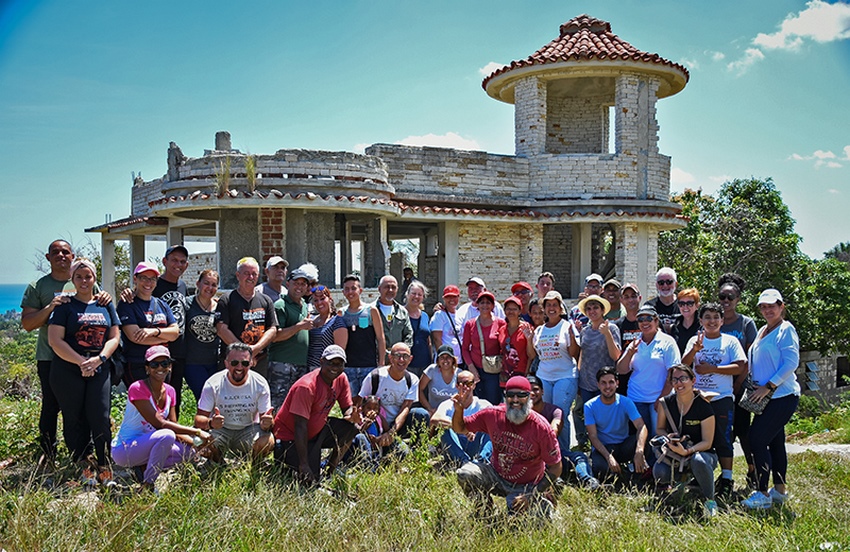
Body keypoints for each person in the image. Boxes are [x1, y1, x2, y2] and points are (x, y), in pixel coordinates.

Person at [21, 239, 108, 464]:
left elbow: (97, 306)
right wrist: (52, 306)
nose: (61, 255)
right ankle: (48, 454)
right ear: (48, 258)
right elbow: (28, 324)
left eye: (66, 252)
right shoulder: (38, 287)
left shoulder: (87, 282)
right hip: (50, 356)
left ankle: (84, 453)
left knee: (83, 408)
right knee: (51, 406)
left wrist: (107, 297)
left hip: (83, 359)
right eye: (55, 252)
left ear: (72, 257)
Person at [47, 258, 121, 486]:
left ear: (94, 278)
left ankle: (104, 466)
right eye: (78, 277)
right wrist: (81, 362)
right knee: (74, 418)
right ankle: (84, 467)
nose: (84, 281)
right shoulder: (65, 306)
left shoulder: (104, 304)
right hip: (68, 370)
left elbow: (115, 337)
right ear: (72, 279)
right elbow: (54, 340)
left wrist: (98, 360)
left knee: (100, 416)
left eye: (88, 276)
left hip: (99, 368)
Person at [452, 376, 562, 517]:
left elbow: (556, 467)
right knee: (465, 473)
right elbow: (459, 428)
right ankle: (485, 510)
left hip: (526, 486)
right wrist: (459, 409)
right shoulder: (493, 414)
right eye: (511, 395)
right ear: (505, 397)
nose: (515, 400)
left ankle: (542, 502)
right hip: (496, 476)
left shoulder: (541, 428)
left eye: (521, 395)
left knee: (522, 525)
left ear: (529, 397)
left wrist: (532, 494)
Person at [112, 345, 210, 491]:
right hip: (126, 450)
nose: (160, 368)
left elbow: (174, 426)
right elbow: (161, 424)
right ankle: (149, 484)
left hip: (153, 443)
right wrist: (196, 433)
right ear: (147, 368)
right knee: (166, 435)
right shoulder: (137, 388)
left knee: (190, 452)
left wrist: (200, 444)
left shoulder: (170, 391)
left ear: (170, 366)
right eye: (154, 364)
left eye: (165, 364)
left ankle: (142, 467)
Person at [741, 289, 801, 510]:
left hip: (782, 395)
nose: (767, 310)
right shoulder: (763, 331)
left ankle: (762, 491)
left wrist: (768, 386)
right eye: (763, 306)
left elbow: (791, 362)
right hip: (764, 396)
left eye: (772, 305)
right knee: (776, 441)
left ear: (781, 306)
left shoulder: (786, 330)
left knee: (756, 439)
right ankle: (780, 491)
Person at [682, 302, 746, 500]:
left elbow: (740, 366)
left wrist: (712, 369)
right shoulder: (695, 340)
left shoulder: (730, 341)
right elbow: (683, 364)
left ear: (722, 320)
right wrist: (695, 350)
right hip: (698, 398)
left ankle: (726, 479)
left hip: (722, 397)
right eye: (707, 317)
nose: (712, 321)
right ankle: (701, 475)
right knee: (700, 439)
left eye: (716, 317)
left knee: (723, 439)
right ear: (700, 321)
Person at [273, 345, 359, 482]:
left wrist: (352, 416)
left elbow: (347, 408)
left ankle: (331, 471)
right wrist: (304, 464)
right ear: (321, 362)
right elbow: (300, 426)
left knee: (352, 429)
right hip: (291, 436)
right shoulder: (306, 386)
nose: (335, 367)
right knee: (308, 481)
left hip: (317, 431)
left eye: (339, 364)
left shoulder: (341, 379)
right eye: (331, 363)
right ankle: (289, 460)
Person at [654, 364, 720, 517]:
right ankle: (681, 485)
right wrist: (669, 438)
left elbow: (708, 442)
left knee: (699, 461)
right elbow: (659, 429)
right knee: (659, 472)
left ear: (693, 380)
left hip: (703, 454)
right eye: (675, 380)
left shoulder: (704, 406)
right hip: (675, 453)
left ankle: (710, 500)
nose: (679, 383)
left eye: (683, 378)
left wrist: (688, 451)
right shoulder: (666, 403)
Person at [194, 342, 275, 463]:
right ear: (226, 363)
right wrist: (211, 423)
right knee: (201, 441)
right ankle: (219, 463)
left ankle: (253, 465)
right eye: (234, 363)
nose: (239, 367)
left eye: (245, 363)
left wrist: (267, 423)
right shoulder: (213, 383)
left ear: (251, 363)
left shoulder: (260, 383)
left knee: (268, 441)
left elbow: (266, 419)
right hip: (220, 430)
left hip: (247, 429)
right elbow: (198, 419)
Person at [717, 272, 758, 488]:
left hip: (740, 385)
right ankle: (725, 475)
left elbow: (750, 358)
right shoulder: (715, 321)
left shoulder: (746, 323)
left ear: (738, 299)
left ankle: (753, 470)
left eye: (729, 298)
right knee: (724, 432)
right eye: (722, 297)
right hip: (718, 387)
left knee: (743, 430)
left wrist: (738, 384)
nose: (725, 302)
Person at [616, 305, 680, 439]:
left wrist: (661, 399)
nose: (645, 322)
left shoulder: (667, 342)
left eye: (649, 318)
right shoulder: (635, 342)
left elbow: (673, 374)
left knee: (658, 436)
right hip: (636, 397)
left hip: (659, 397)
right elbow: (621, 370)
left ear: (656, 321)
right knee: (641, 436)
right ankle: (641, 460)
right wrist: (630, 353)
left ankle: (657, 461)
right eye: (641, 319)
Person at [527, 375, 601, 490]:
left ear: (542, 391)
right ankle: (554, 480)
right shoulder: (521, 414)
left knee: (579, 456)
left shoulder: (555, 411)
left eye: (535, 389)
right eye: (528, 390)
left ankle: (588, 481)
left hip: (553, 453)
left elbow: (553, 433)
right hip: (532, 458)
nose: (532, 393)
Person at [216, 257, 278, 380]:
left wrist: (255, 350)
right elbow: (221, 329)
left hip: (259, 361)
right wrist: (244, 354)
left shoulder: (266, 300)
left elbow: (272, 329)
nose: (250, 277)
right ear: (238, 275)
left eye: (254, 274)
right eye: (246, 273)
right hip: (232, 362)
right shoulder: (226, 300)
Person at [356, 343, 424, 453]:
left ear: (410, 359)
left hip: (397, 426)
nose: (401, 360)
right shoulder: (375, 376)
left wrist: (391, 433)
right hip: (375, 424)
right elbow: (360, 403)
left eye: (405, 356)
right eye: (397, 356)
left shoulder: (412, 379)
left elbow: (405, 408)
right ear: (390, 357)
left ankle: (417, 450)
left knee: (421, 414)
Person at [118, 262, 179, 385]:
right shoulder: (127, 304)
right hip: (138, 364)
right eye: (144, 278)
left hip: (162, 364)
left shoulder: (162, 304)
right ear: (135, 279)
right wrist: (165, 339)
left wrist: (154, 331)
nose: (148, 283)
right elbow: (136, 337)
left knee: (161, 402)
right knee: (141, 402)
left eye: (152, 279)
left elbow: (175, 332)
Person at [532, 291, 580, 445]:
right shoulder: (539, 330)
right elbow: (533, 354)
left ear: (561, 308)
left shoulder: (567, 327)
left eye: (555, 305)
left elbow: (574, 354)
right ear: (544, 308)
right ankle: (548, 449)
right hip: (544, 377)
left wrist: (572, 338)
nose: (551, 308)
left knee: (560, 414)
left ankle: (564, 451)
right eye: (548, 305)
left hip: (564, 376)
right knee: (544, 415)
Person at [574, 295, 621, 450]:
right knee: (588, 417)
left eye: (595, 307)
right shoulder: (585, 331)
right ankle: (587, 447)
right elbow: (582, 354)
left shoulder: (612, 328)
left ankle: (608, 450)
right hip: (586, 381)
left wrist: (607, 333)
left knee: (604, 418)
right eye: (589, 308)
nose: (592, 311)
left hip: (605, 383)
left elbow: (616, 356)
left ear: (602, 310)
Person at [584, 368, 649, 481]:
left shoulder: (626, 402)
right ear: (598, 385)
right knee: (601, 469)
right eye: (603, 383)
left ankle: (638, 477)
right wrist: (609, 457)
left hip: (623, 445)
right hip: (604, 448)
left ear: (617, 384)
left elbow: (641, 426)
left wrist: (639, 450)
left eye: (611, 382)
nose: (607, 386)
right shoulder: (589, 406)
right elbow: (593, 436)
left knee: (644, 441)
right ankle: (615, 476)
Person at [267, 264, 314, 410]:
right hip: (282, 364)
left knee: (296, 405)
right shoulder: (280, 305)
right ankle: (272, 433)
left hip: (300, 364)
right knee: (278, 404)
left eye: (303, 284)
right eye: (296, 283)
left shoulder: (305, 305)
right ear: (288, 284)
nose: (299, 287)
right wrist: (299, 326)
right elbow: (275, 336)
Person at [152, 245, 190, 415]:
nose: (178, 265)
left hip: (179, 350)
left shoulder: (182, 286)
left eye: (182, 262)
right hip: (159, 350)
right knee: (157, 395)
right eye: (174, 260)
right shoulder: (154, 284)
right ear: (165, 261)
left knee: (175, 396)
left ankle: (174, 432)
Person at [429, 370, 492, 466]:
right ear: (456, 385)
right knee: (443, 428)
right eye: (462, 384)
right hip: (454, 445)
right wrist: (463, 428)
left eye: (469, 383)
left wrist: (475, 428)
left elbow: (495, 422)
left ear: (474, 385)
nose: (465, 387)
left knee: (490, 426)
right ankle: (464, 463)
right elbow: (434, 419)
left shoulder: (482, 404)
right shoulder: (448, 404)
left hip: (474, 443)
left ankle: (482, 461)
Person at [341, 274, 386, 395]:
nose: (350, 292)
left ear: (360, 290)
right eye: (347, 289)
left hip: (369, 366)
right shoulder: (341, 313)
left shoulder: (371, 310)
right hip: (348, 367)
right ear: (343, 292)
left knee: (368, 405)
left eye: (353, 288)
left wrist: (381, 364)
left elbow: (381, 338)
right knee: (351, 405)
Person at [461, 291, 506, 405]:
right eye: (482, 302)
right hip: (476, 369)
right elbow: (465, 348)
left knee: (492, 402)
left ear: (492, 305)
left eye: (488, 303)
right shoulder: (470, 324)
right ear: (477, 305)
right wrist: (471, 368)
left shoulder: (500, 323)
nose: (485, 305)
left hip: (493, 371)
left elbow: (504, 346)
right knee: (476, 402)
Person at [183, 269, 222, 400]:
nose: (210, 288)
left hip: (214, 363)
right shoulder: (187, 304)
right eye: (206, 283)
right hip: (193, 363)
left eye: (214, 284)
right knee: (204, 398)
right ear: (198, 284)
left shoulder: (220, 307)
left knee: (216, 400)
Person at [305, 284, 347, 369]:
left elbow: (339, 353)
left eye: (322, 299)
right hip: (308, 370)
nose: (319, 303)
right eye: (316, 300)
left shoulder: (337, 321)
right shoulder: (311, 320)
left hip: (326, 371)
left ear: (330, 300)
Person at [376, 275, 413, 363]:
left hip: (398, 362)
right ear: (379, 289)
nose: (390, 290)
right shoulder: (370, 310)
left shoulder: (402, 311)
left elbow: (408, 335)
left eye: (393, 287)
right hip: (376, 360)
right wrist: (384, 354)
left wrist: (401, 353)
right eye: (386, 287)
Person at [499, 296, 535, 384]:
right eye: (508, 309)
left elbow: (532, 356)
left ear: (519, 311)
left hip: (522, 374)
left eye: (514, 309)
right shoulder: (501, 329)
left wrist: (529, 340)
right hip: (504, 376)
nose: (511, 312)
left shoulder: (527, 328)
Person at [614, 282, 642, 396]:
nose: (630, 300)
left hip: (644, 374)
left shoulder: (649, 321)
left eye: (633, 296)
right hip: (624, 376)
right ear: (621, 300)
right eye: (626, 297)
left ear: (640, 298)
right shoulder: (617, 325)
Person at [418, 345, 461, 417]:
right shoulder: (431, 370)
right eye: (442, 357)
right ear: (437, 360)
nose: (445, 360)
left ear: (453, 359)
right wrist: (429, 408)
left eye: (448, 357)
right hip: (434, 412)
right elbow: (419, 389)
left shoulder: (459, 373)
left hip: (453, 413)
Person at [430, 285, 464, 364]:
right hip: (446, 361)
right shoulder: (439, 315)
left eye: (454, 297)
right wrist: (443, 359)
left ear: (459, 297)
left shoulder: (461, 314)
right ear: (444, 298)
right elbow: (437, 340)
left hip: (459, 360)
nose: (451, 300)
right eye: (448, 297)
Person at [404, 281, 432, 376]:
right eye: (413, 293)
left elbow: (428, 341)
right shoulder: (400, 314)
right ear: (407, 295)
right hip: (406, 364)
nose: (416, 297)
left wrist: (432, 360)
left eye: (419, 294)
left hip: (425, 364)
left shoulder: (425, 316)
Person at [644, 267, 681, 334]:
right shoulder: (648, 306)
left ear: (676, 284)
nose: (665, 285)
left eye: (669, 282)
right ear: (656, 285)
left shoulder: (683, 305)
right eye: (661, 283)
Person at [674, 288, 701, 354]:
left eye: (689, 303)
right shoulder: (675, 326)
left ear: (697, 305)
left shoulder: (703, 325)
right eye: (681, 303)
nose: (685, 307)